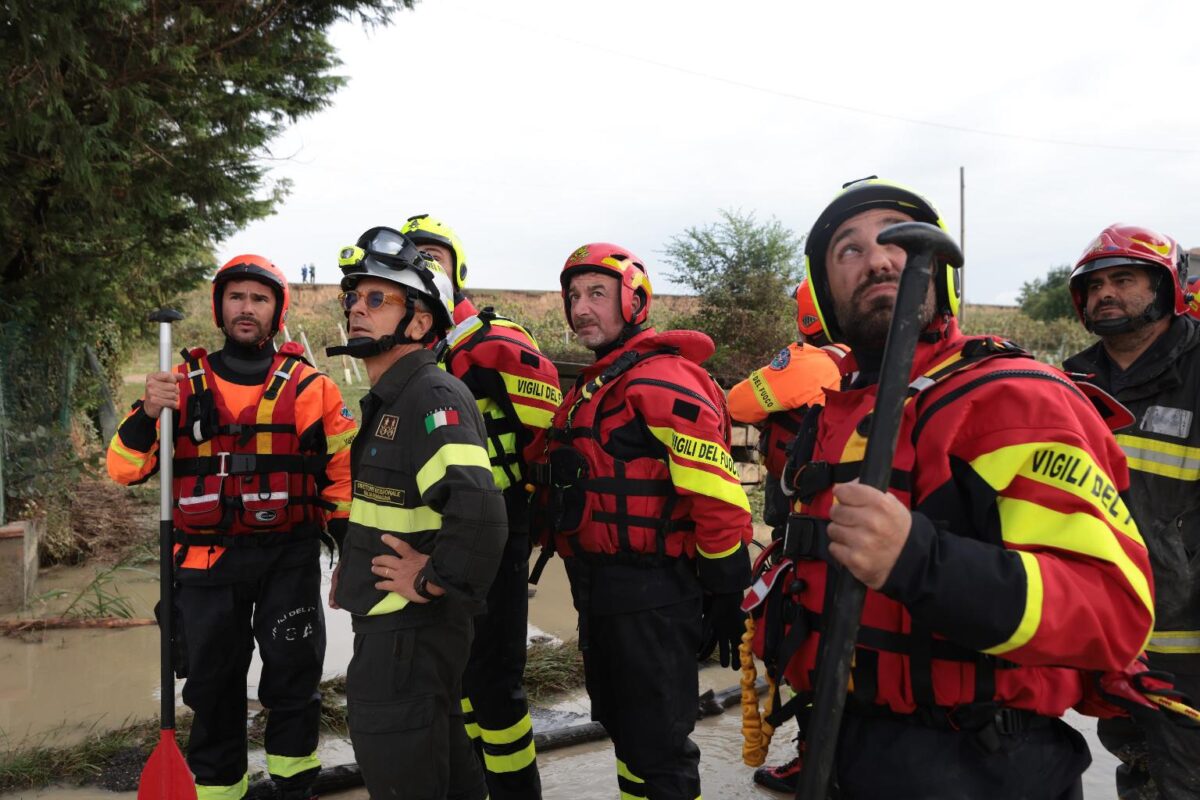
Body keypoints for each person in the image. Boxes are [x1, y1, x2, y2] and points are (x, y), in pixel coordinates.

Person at [746, 178, 1155, 798]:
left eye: (896, 242)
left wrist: (921, 560)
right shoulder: (836, 409)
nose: (879, 257)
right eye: (848, 250)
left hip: (982, 763)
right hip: (845, 747)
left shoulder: (1014, 397)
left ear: (939, 274)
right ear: (824, 290)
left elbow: (1113, 610)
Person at [106, 255, 356, 800]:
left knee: (294, 682)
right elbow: (125, 468)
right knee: (214, 688)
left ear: (277, 312)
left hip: (288, 560)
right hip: (203, 564)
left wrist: (349, 553)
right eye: (236, 297)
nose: (247, 308)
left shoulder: (314, 389)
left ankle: (294, 787)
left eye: (259, 299)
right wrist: (149, 414)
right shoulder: (176, 387)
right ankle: (221, 791)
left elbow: (341, 479)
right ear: (220, 308)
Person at [527, 242, 753, 800]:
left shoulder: (661, 380)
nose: (581, 307)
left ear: (635, 301)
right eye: (574, 296)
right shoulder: (595, 386)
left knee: (660, 748)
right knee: (628, 733)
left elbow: (719, 499)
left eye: (597, 294)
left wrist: (728, 589)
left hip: (651, 595)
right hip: (603, 592)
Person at [326, 226, 506, 800]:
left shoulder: (431, 396)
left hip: (408, 632)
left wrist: (432, 580)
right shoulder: (392, 399)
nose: (357, 308)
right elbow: (395, 506)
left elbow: (481, 514)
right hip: (393, 628)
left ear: (422, 322)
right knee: (445, 775)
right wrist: (352, 567)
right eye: (353, 297)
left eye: (378, 298)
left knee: (404, 777)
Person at [401, 213, 558, 799]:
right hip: (432, 527)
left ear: (456, 268)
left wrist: (537, 518)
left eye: (433, 256)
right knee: (451, 673)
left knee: (494, 680)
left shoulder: (496, 342)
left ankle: (516, 792)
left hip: (497, 524)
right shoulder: (410, 350)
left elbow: (548, 436)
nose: (424, 265)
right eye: (413, 258)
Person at [1063, 224, 1200, 799]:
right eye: (1094, 286)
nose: (1106, 295)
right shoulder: (1071, 381)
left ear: (1166, 290)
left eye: (1124, 279)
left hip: (1189, 639)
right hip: (1113, 632)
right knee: (1139, 767)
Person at [727, 279, 843, 793]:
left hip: (804, 534)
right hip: (856, 533)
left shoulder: (811, 361)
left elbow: (738, 404)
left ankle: (813, 760)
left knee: (805, 652)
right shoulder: (878, 368)